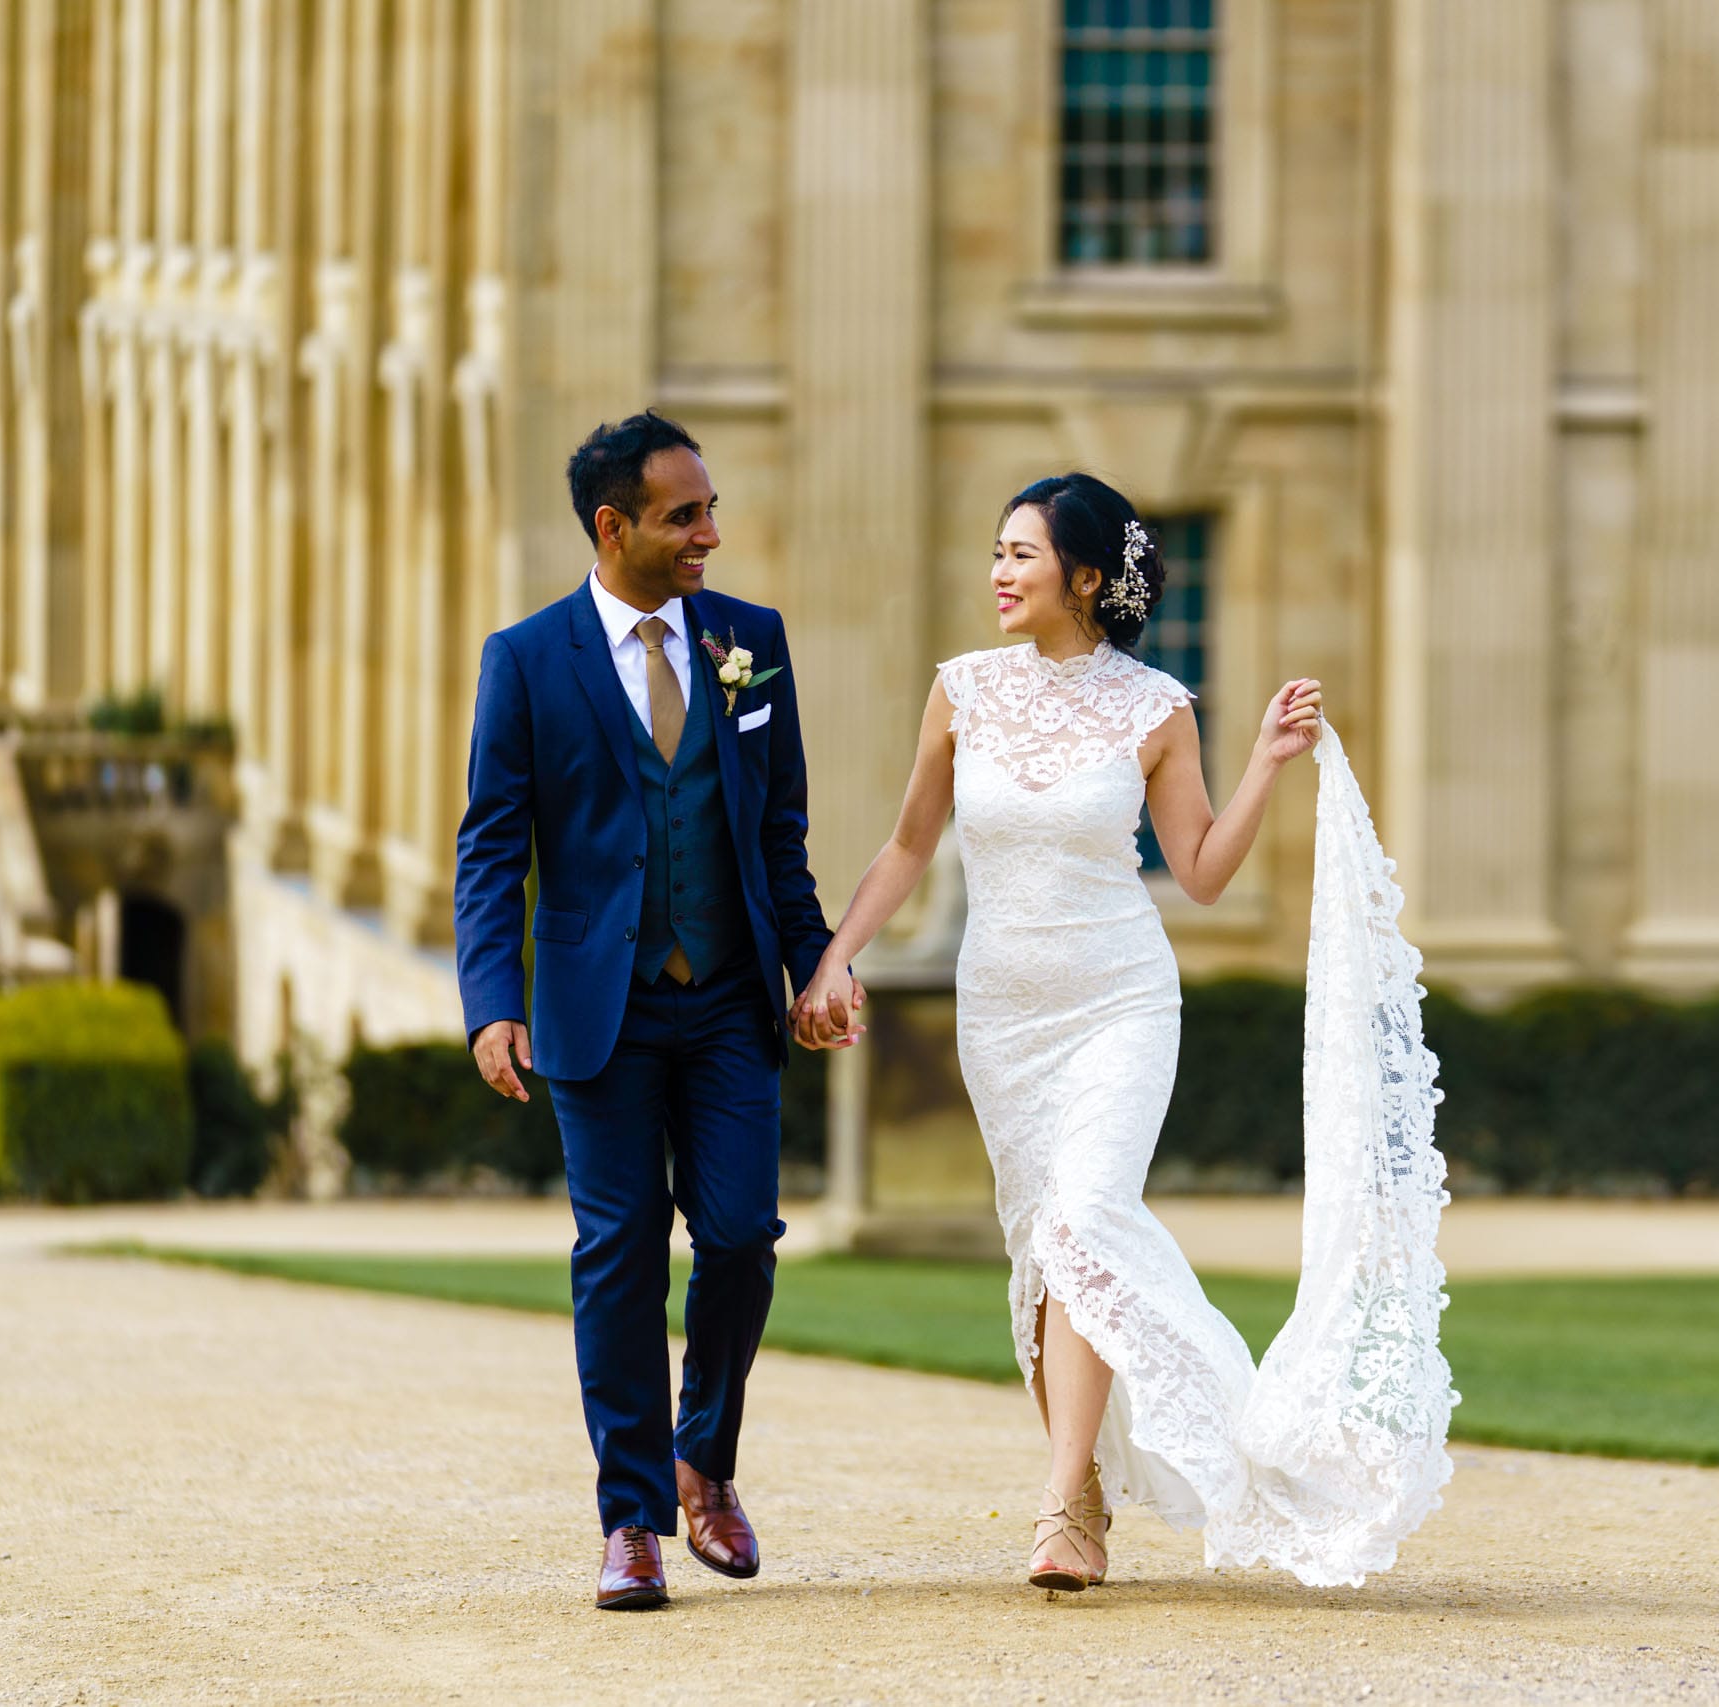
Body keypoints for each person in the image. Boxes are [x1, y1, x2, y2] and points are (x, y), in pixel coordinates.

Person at [797, 472, 1454, 1592]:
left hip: (1121, 1002)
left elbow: (1196, 873)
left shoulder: (1156, 708)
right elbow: (908, 847)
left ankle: (1062, 1510)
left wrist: (1260, 765)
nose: (998, 573)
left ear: (1087, 577)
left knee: (1088, 1218)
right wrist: (832, 954)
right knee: (1047, 1242)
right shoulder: (959, 691)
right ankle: (1084, 1488)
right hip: (1002, 1012)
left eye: (1022, 554)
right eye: (996, 552)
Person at [453, 412, 856, 1610]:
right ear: (612, 526)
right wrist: (492, 1003)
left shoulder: (752, 643)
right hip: (596, 1012)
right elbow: (490, 849)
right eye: (685, 517)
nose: (710, 535)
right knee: (618, 1254)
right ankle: (628, 1518)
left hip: (729, 1005)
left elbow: (779, 835)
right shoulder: (526, 660)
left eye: (711, 510)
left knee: (739, 1237)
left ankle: (705, 1464)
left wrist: (814, 967)